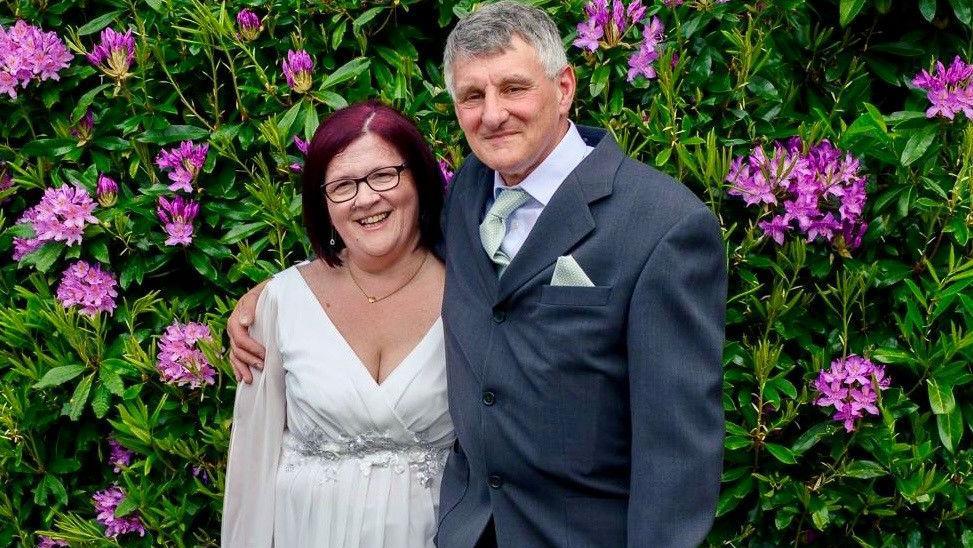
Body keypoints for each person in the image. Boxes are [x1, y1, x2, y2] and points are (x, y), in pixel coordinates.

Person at [229, 2, 727, 546]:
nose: (492, 115)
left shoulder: (664, 226)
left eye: (513, 88)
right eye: (472, 96)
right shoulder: (468, 195)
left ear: (564, 87)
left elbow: (676, 455)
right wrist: (274, 294)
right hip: (465, 531)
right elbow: (388, 248)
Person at [221, 100, 454, 547]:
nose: (366, 198)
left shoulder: (470, 296)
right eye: (343, 186)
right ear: (322, 204)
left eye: (385, 175)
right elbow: (251, 468)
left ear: (420, 180)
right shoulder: (279, 305)